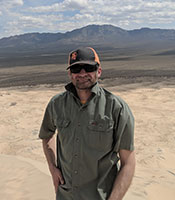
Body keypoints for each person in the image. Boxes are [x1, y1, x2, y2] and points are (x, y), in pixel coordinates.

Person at [39, 47, 135, 200]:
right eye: (76, 68)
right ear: (70, 74)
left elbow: (128, 162)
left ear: (99, 71)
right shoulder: (56, 104)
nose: (82, 74)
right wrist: (53, 167)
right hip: (65, 195)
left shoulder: (116, 107)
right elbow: (47, 134)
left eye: (89, 68)